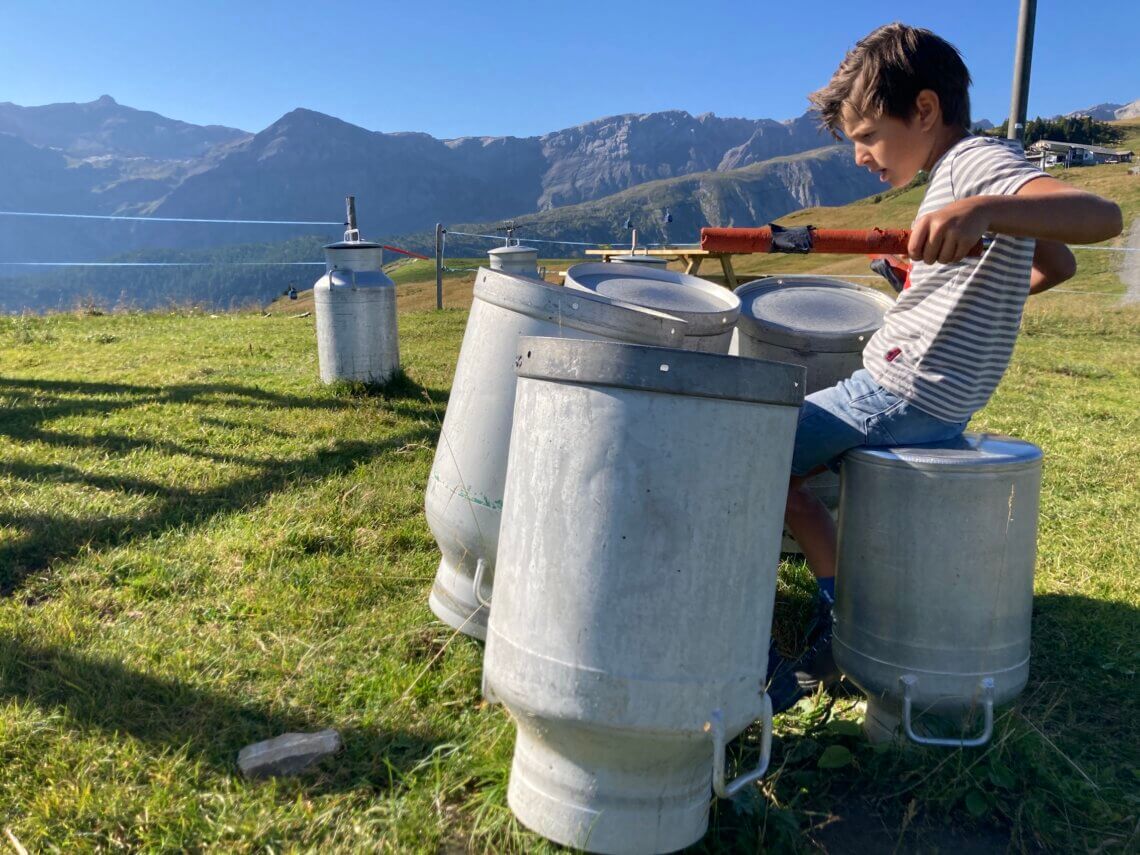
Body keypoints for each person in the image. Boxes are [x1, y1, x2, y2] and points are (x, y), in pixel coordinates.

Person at [766, 22, 1123, 713]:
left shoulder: (974, 165)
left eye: (868, 135)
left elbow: (1102, 217)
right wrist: (950, 297)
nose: (863, 156)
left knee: (748, 453)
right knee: (782, 475)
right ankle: (847, 610)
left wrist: (982, 206)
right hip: (937, 400)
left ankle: (839, 623)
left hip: (895, 390)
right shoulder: (965, 175)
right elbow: (1060, 262)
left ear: (924, 110)